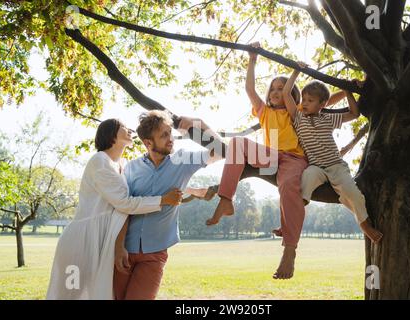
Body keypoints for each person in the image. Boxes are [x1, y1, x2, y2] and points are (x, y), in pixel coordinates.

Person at [205, 42, 345, 280]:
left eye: (282, 89)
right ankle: (226, 200)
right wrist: (252, 58)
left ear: (293, 94)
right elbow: (250, 89)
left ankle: (289, 251)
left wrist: (349, 88)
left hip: (294, 158)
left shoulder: (297, 110)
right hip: (269, 156)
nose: (276, 92)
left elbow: (326, 100)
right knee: (238, 143)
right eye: (273, 89)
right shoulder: (264, 111)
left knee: (289, 185)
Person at [46, 119, 186, 300]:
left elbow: (139, 192)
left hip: (103, 240)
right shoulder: (99, 161)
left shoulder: (121, 165)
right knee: (69, 294)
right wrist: (163, 200)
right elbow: (124, 202)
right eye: (123, 127)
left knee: (97, 295)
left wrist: (194, 192)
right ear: (111, 134)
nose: (129, 129)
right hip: (83, 240)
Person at [113, 110, 222, 299]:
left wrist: (199, 123)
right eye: (164, 135)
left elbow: (221, 151)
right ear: (148, 143)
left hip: (155, 254)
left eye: (170, 133)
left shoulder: (183, 161)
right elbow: (124, 209)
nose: (170, 138)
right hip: (125, 250)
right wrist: (118, 247)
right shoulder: (131, 168)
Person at [283, 66, 383, 243]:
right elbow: (286, 95)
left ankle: (365, 225)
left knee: (354, 194)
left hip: (336, 166)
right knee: (305, 181)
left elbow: (354, 113)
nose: (304, 103)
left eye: (310, 100)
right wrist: (296, 71)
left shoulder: (328, 119)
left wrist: (347, 91)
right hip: (316, 167)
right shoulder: (298, 118)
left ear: (322, 105)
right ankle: (291, 219)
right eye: (304, 99)